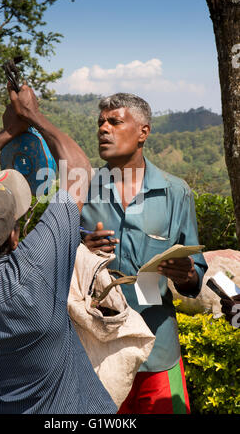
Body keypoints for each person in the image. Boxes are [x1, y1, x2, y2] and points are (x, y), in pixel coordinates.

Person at [0, 84, 117, 414]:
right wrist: (31, 116)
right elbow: (78, 169)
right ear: (12, 238)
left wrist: (7, 132)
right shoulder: (33, 271)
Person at [81, 92, 208, 414]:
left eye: (114, 122)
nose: (104, 129)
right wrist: (81, 252)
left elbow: (196, 275)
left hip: (158, 349)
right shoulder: (81, 191)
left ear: (143, 132)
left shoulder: (175, 192)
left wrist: (188, 274)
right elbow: (53, 264)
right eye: (100, 123)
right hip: (98, 354)